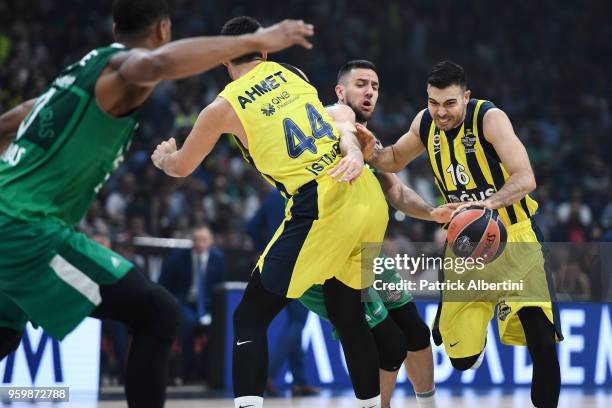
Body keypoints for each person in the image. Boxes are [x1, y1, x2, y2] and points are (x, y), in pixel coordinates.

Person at [0, 0, 314, 406]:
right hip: (25, 230)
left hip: (12, 224)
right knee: (158, 313)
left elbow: (10, 123)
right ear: (163, 31)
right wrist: (254, 40)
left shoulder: (79, 72)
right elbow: (152, 66)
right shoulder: (122, 69)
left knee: (6, 330)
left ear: (115, 28)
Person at [152, 15, 389, 408]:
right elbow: (336, 117)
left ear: (224, 59)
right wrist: (350, 146)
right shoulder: (291, 72)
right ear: (264, 50)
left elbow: (182, 167)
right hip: (368, 200)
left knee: (250, 317)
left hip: (321, 206)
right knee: (348, 314)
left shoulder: (222, 107)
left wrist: (163, 158)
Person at [361, 60, 563, 408]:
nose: (440, 112)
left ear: (466, 97)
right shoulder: (425, 123)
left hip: (514, 238)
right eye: (433, 102)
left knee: (542, 342)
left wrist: (488, 204)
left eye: (450, 103)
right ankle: (477, 336)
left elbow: (525, 178)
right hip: (465, 248)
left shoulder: (489, 118)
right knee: (461, 359)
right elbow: (393, 159)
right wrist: (367, 150)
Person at [299, 60, 453, 408]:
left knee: (415, 332)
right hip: (332, 256)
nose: (370, 91)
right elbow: (341, 126)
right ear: (341, 91)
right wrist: (351, 146)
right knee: (388, 341)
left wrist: (432, 212)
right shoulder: (330, 119)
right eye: (361, 84)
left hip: (367, 252)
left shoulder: (367, 139)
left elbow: (396, 192)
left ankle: (426, 404)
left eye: (376, 86)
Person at [246, 189, 318, 397]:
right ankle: (267, 375)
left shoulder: (272, 195)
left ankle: (299, 380)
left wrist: (265, 247)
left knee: (293, 321)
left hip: (273, 263)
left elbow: (251, 227)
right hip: (300, 262)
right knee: (297, 323)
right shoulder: (308, 190)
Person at [159, 225, 225, 381]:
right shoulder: (178, 257)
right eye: (196, 239)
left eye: (203, 240)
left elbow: (220, 286)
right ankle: (189, 371)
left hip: (208, 304)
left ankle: (208, 371)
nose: (199, 243)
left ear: (211, 241)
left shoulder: (218, 258)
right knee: (187, 324)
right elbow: (164, 283)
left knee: (219, 326)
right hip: (185, 301)